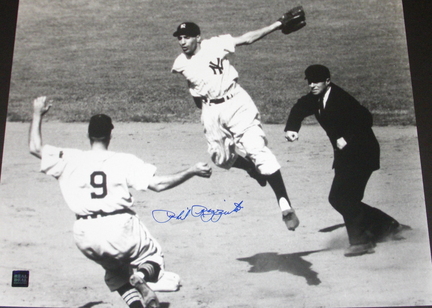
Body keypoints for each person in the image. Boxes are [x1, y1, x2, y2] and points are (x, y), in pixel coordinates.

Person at [29, 96, 212, 308]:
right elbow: (158, 185)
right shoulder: (124, 160)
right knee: (152, 256)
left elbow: (35, 147)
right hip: (121, 230)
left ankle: (136, 303)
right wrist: (191, 171)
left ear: (88, 134)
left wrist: (37, 113)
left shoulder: (69, 158)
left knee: (114, 274)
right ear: (110, 135)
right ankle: (142, 276)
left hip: (85, 235)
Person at [171, 20, 300, 231]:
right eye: (179, 38)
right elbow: (192, 85)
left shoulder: (216, 44)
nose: (182, 42)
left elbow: (248, 38)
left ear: (198, 37)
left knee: (256, 149)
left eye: (186, 37)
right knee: (219, 158)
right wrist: (205, 112)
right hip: (211, 111)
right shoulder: (180, 63)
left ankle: (285, 204)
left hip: (236, 103)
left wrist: (278, 24)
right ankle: (251, 168)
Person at [284, 64, 409, 257]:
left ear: (327, 81)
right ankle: (389, 226)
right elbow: (300, 107)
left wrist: (346, 137)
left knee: (343, 198)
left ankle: (361, 242)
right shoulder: (316, 97)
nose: (312, 84)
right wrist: (292, 128)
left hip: (362, 152)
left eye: (317, 81)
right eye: (309, 81)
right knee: (342, 198)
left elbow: (365, 118)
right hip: (346, 156)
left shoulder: (340, 98)